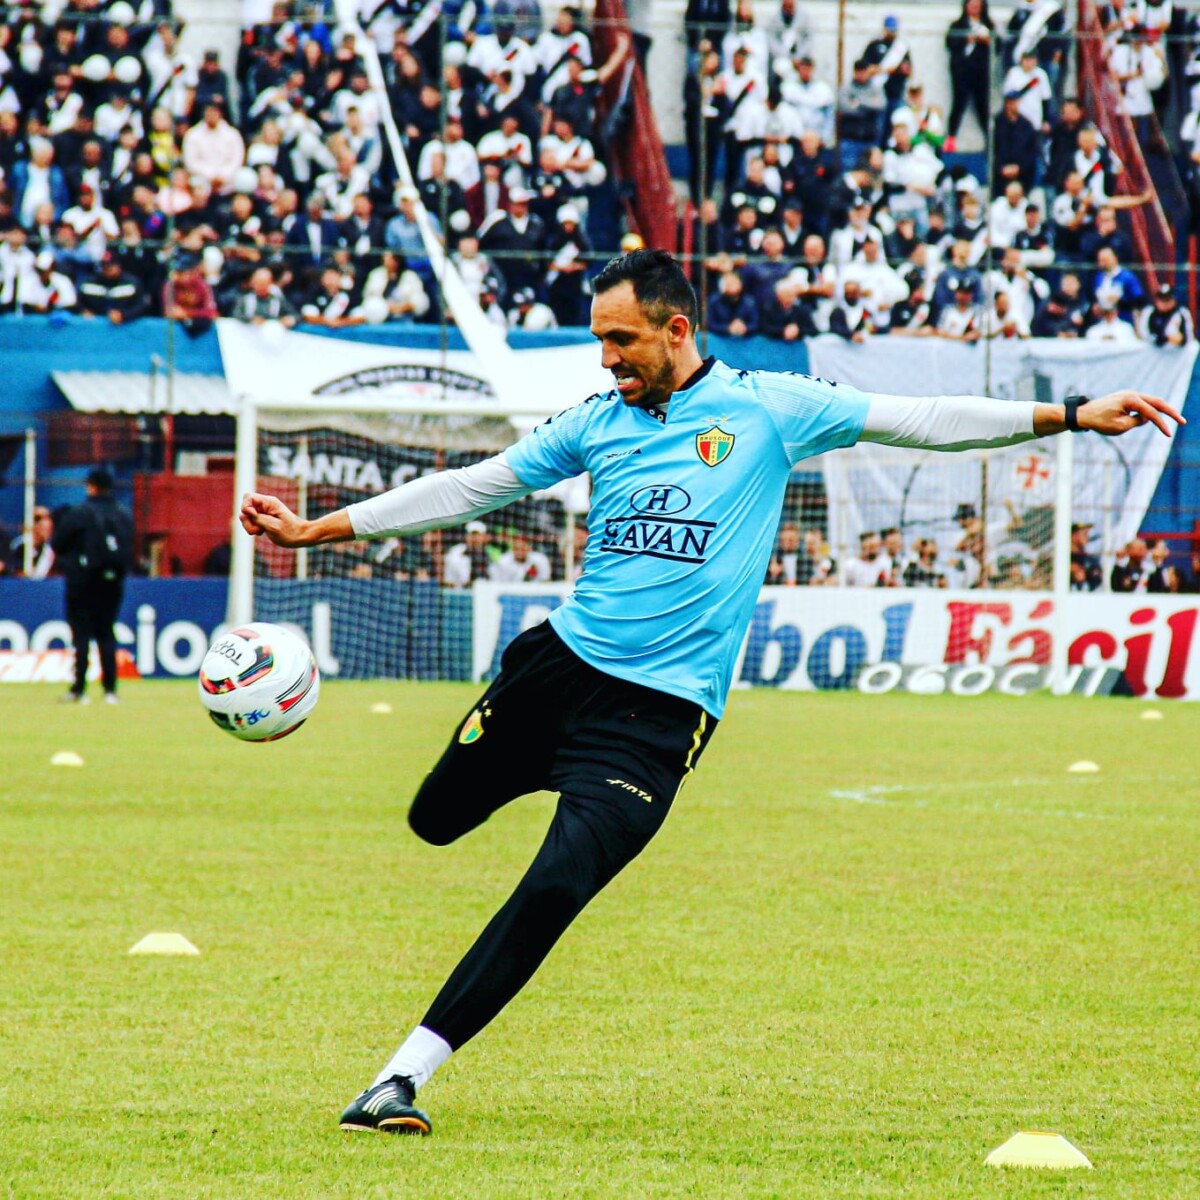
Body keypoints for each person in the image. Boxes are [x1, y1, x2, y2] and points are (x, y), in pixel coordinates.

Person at [238, 249, 1183, 1136]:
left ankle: (400, 1076)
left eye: (622, 340)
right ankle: (520, 774)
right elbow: (474, 486)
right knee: (435, 820)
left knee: (557, 884)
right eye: (599, 341)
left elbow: (923, 419)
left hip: (656, 720)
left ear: (677, 329)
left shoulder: (770, 408)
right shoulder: (595, 422)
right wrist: (323, 529)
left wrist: (1071, 414)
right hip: (555, 672)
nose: (607, 359)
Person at [51, 467, 135, 705]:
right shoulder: (123, 514)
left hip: (82, 582)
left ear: (91, 486)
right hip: (112, 582)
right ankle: (110, 690)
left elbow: (58, 543)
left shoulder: (79, 513)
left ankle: (79, 689)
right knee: (106, 632)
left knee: (81, 634)